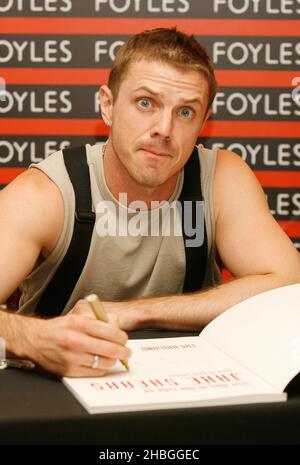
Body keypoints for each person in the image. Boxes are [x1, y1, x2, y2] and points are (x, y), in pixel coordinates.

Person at [0, 28, 299, 377]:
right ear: (107, 106)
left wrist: (136, 312)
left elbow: (289, 284)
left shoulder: (220, 179)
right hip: (56, 399)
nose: (164, 129)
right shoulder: (47, 193)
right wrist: (36, 339)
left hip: (186, 388)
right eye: (146, 103)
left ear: (204, 122)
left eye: (185, 112)